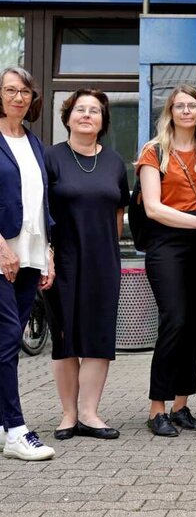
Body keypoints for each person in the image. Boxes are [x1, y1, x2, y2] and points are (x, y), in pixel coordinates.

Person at [45, 89, 129, 441]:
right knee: (66, 337)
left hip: (103, 260)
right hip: (61, 259)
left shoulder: (113, 161)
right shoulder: (50, 158)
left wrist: (109, 247)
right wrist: (46, 252)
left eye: (94, 111)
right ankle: (67, 415)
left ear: (102, 121)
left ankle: (89, 413)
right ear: (67, 117)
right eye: (80, 109)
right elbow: (39, 209)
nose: (87, 115)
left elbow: (119, 210)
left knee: (97, 336)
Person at [136, 85, 196, 437]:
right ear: (170, 112)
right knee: (175, 319)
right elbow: (154, 209)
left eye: (192, 106)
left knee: (194, 324)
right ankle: (157, 408)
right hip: (167, 241)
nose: (187, 111)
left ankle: (181, 405)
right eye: (180, 106)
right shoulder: (153, 151)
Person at [0, 66, 56, 460]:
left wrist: (47, 252)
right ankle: (17, 431)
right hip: (2, 254)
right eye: (10, 90)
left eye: (25, 92)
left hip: (31, 256)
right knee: (6, 344)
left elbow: (40, 203)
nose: (19, 98)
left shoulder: (34, 144)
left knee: (5, 344)